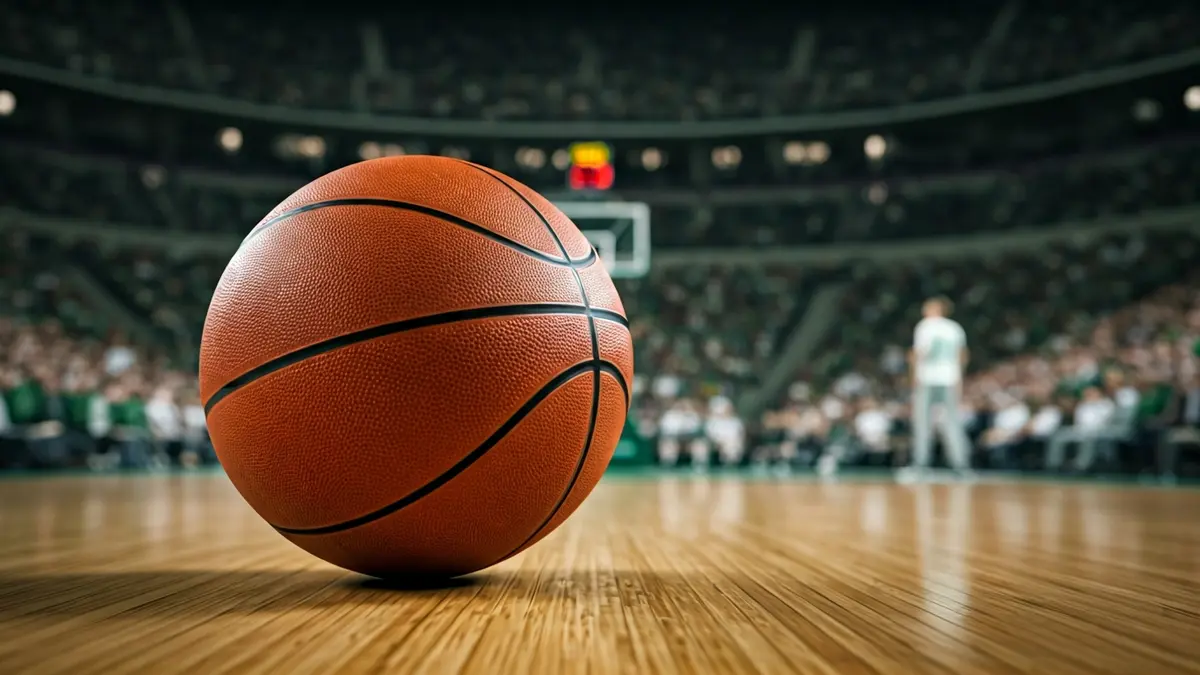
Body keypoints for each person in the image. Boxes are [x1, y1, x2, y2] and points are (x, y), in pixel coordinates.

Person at [901, 296, 973, 481]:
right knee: (952, 422)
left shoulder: (926, 326)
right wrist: (959, 377)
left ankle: (921, 465)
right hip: (950, 379)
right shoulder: (955, 328)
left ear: (937, 309)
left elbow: (919, 353)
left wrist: (912, 376)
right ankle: (961, 466)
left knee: (923, 422)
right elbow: (962, 356)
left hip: (927, 378)